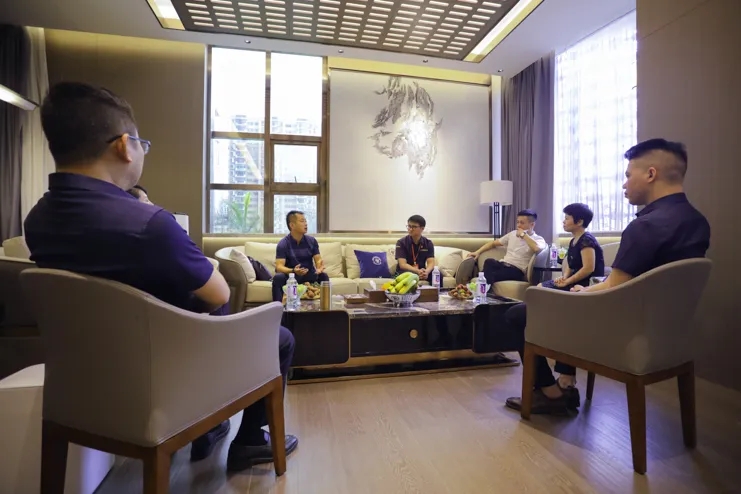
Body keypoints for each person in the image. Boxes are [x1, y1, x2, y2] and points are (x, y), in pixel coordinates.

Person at [23, 82, 298, 471]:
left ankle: (209, 427)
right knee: (279, 336)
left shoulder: (37, 220)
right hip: (166, 374)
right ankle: (248, 440)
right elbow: (219, 294)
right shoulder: (148, 224)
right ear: (124, 145)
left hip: (84, 378)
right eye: (142, 144)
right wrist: (161, 221)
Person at [503, 138, 711, 415]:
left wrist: (581, 292)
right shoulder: (697, 221)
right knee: (561, 299)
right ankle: (565, 383)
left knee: (517, 314)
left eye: (628, 175)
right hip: (666, 333)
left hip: (621, 332)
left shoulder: (646, 226)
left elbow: (615, 286)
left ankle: (551, 393)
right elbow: (643, 282)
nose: (624, 184)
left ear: (650, 174)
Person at [467, 209, 547, 285]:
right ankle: (485, 290)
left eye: (522, 223)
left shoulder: (538, 239)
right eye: (517, 222)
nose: (518, 225)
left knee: (487, 272)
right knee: (489, 262)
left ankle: (479, 287)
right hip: (503, 265)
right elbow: (493, 244)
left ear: (532, 224)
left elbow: (536, 248)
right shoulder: (512, 234)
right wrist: (477, 252)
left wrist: (523, 235)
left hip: (517, 271)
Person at [539, 203, 605, 292]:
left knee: (540, 290)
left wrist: (568, 281)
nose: (563, 221)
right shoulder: (573, 241)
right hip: (573, 281)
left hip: (586, 284)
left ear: (579, 222)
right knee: (539, 287)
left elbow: (588, 269)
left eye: (567, 218)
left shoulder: (587, 240)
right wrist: (564, 278)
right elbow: (570, 265)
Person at [272, 210, 329, 302]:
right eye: (302, 221)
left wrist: (319, 267)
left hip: (309, 275)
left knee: (324, 276)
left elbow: (318, 259)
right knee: (278, 278)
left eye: (305, 221)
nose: (306, 224)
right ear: (292, 225)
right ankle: (277, 308)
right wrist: (293, 270)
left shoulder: (312, 241)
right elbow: (279, 267)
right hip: (291, 277)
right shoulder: (283, 244)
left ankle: (326, 306)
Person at [395, 215, 436, 280]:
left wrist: (426, 272)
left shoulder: (428, 243)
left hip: (421, 271)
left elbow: (431, 262)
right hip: (406, 271)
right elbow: (402, 265)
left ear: (422, 228)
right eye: (409, 226)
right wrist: (418, 271)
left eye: (414, 227)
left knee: (437, 275)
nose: (410, 229)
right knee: (408, 276)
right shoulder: (401, 242)